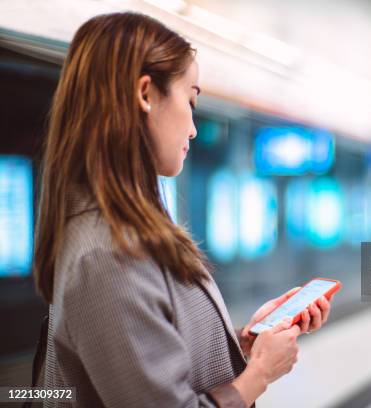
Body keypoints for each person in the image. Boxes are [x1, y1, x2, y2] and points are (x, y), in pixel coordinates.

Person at [33, 12, 334, 408]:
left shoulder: (122, 234)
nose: (193, 127)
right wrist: (259, 374)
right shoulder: (107, 256)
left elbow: (156, 365)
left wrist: (245, 343)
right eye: (190, 100)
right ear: (146, 94)